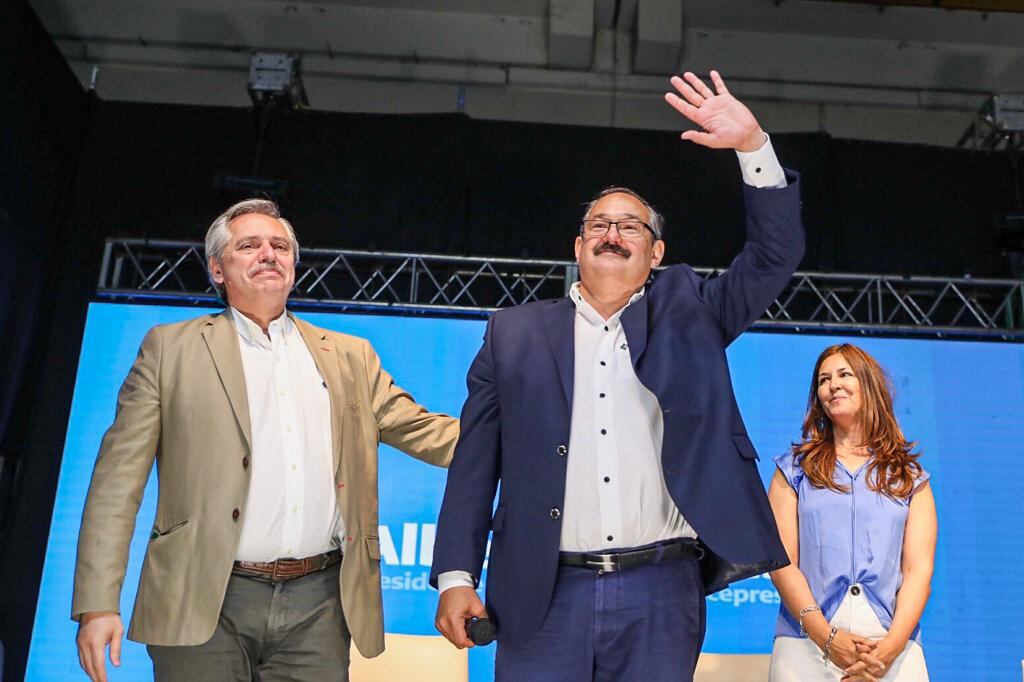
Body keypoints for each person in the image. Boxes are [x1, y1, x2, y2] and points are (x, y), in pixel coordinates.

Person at [430, 71, 804, 681]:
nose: (612, 232)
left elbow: (774, 256)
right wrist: (454, 577)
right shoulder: (512, 334)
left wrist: (753, 145)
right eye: (599, 224)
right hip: (541, 593)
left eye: (631, 225)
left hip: (661, 588)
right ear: (577, 247)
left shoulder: (694, 309)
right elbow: (475, 464)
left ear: (655, 254)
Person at [72, 199, 459, 682]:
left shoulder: (349, 356)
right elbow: (116, 485)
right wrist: (96, 605)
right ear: (217, 268)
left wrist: (536, 438)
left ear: (294, 264)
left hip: (319, 604)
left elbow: (429, 432)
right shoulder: (169, 349)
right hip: (203, 596)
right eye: (248, 246)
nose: (268, 254)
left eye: (279, 246)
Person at [767, 344, 936, 682]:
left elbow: (918, 570)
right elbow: (781, 560)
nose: (833, 385)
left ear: (869, 386)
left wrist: (889, 649)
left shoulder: (910, 477)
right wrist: (827, 639)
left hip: (891, 648)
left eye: (845, 374)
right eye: (824, 379)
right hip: (805, 645)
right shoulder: (793, 470)